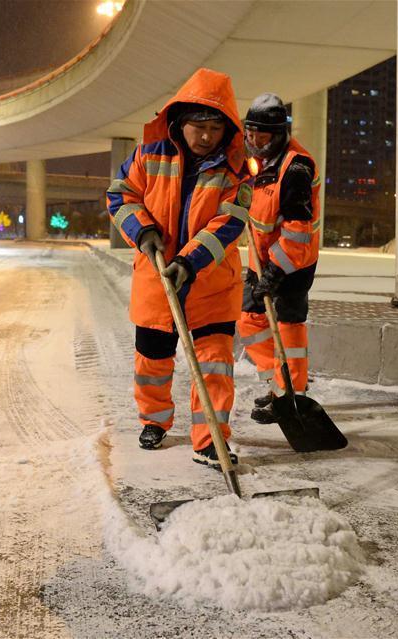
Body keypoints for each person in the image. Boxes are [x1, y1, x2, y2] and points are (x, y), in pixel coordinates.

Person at [106, 68, 252, 469]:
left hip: (210, 284)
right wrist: (143, 230)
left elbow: (229, 223)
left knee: (214, 366)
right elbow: (120, 196)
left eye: (216, 128)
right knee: (151, 362)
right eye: (199, 126)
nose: (207, 136)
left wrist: (190, 261)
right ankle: (154, 421)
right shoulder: (148, 155)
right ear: (179, 121)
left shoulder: (236, 171)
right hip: (156, 279)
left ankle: (210, 441)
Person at [237, 93, 321, 423]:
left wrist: (275, 273)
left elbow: (298, 232)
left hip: (293, 262)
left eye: (262, 135)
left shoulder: (296, 167)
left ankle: (290, 394)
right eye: (250, 133)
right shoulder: (258, 159)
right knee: (248, 317)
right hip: (263, 260)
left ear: (279, 134)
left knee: (288, 325)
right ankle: (279, 381)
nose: (255, 141)